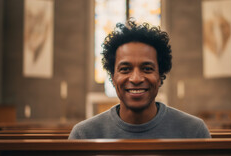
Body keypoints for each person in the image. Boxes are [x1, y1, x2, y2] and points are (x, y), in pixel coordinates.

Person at [69, 20, 211, 139]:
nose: (136, 79)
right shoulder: (84, 135)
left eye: (147, 68)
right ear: (113, 77)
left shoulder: (193, 131)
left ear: (160, 76)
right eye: (125, 69)